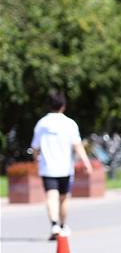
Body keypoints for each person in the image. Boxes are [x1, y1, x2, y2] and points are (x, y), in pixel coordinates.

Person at [30, 92, 92, 240]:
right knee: (63, 198)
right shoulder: (69, 123)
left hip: (47, 167)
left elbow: (35, 147)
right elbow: (77, 145)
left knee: (51, 196)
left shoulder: (42, 123)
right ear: (63, 106)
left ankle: (54, 225)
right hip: (65, 167)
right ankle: (63, 226)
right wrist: (86, 162)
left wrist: (35, 159)